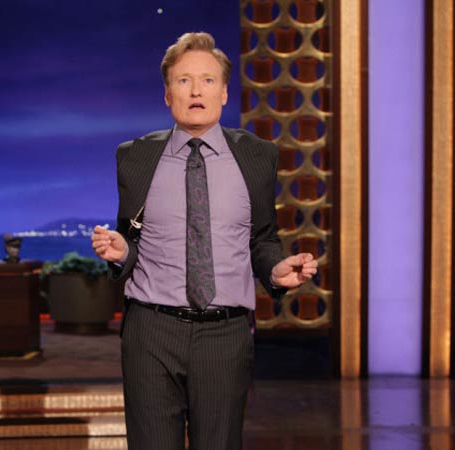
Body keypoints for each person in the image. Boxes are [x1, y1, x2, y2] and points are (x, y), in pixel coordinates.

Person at [91, 32, 318, 450]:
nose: (196, 90)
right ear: (167, 94)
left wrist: (274, 269)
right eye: (184, 80)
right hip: (150, 333)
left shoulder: (257, 156)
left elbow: (262, 238)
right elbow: (131, 236)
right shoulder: (135, 157)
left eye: (208, 80)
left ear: (224, 93)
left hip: (224, 335)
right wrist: (121, 251)